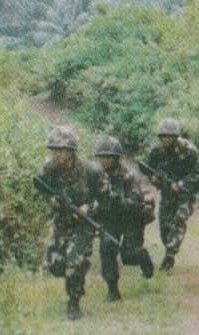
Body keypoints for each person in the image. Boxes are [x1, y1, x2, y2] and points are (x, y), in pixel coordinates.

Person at [34, 125, 109, 321]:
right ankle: (76, 278)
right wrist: (50, 199)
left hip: (84, 224)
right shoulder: (49, 168)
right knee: (55, 265)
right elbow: (40, 185)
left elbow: (106, 199)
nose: (56, 154)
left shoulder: (91, 170)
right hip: (62, 221)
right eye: (53, 150)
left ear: (71, 151)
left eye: (61, 150)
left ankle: (74, 303)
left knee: (73, 263)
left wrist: (88, 208)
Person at [94, 136, 155, 300]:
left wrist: (118, 201)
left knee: (129, 255)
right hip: (110, 219)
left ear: (116, 158)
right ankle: (112, 290)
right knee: (107, 247)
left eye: (108, 157)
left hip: (131, 219)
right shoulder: (97, 175)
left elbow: (136, 203)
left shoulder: (129, 176)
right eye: (101, 157)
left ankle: (143, 258)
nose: (104, 161)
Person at [144, 118, 199, 272]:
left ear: (175, 136)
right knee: (165, 229)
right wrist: (154, 179)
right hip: (167, 194)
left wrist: (182, 184)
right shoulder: (156, 151)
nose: (165, 139)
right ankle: (169, 247)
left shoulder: (188, 150)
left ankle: (170, 255)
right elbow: (148, 168)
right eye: (162, 136)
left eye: (169, 136)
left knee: (179, 221)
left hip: (184, 195)